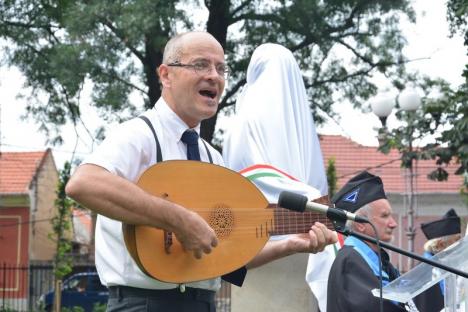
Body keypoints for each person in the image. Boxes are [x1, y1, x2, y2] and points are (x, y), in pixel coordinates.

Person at [65, 31, 336, 312]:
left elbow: (225, 259)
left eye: (221, 68)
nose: (214, 76)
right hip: (143, 304)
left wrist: (292, 243)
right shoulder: (139, 135)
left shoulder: (213, 157)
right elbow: (84, 184)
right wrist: (178, 219)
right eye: (201, 65)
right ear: (166, 75)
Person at [223, 42, 337, 311]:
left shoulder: (241, 123)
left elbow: (235, 182)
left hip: (258, 248)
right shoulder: (304, 129)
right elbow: (317, 194)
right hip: (306, 246)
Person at [326, 171, 415, 312]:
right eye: (385, 216)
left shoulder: (377, 259)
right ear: (361, 224)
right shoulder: (350, 261)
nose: (393, 224)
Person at [413, 209, 462, 312]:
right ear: (440, 245)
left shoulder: (450, 265)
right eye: (457, 240)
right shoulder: (424, 270)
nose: (460, 245)